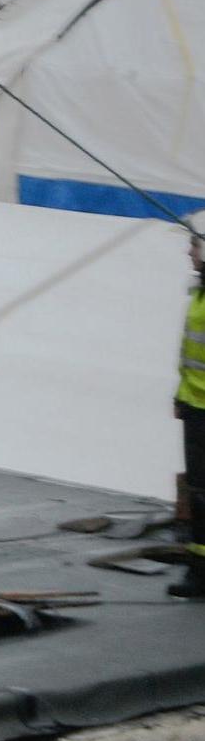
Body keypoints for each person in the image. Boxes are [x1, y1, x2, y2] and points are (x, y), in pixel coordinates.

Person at [176, 232, 205, 598]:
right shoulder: (199, 293)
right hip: (195, 405)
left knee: (202, 492)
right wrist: (180, 396)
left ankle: (201, 574)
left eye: (195, 245)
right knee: (199, 491)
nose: (189, 251)